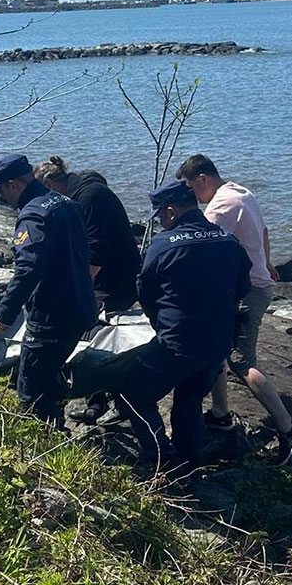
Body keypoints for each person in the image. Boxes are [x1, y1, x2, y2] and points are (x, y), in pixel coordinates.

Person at [115, 181, 251, 474]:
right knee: (189, 401)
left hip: (178, 341)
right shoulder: (228, 240)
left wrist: (160, 322)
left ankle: (164, 457)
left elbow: (146, 291)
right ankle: (189, 465)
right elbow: (243, 286)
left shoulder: (163, 245)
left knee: (132, 395)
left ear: (171, 211)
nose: (160, 222)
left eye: (160, 216)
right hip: (217, 343)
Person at [177, 154, 292, 461]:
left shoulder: (221, 207)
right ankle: (221, 414)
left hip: (249, 292)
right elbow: (263, 232)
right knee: (220, 349)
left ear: (203, 179)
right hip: (256, 284)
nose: (191, 196)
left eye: (191, 189)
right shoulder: (241, 192)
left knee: (240, 360)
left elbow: (201, 247)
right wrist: (266, 262)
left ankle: (289, 428)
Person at [0, 153, 96, 423]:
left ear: (13, 185)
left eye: (2, 191)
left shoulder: (33, 215)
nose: (4, 199)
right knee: (50, 373)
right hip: (81, 306)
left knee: (31, 390)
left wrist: (5, 314)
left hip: (51, 316)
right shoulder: (66, 203)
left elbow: (27, 269)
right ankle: (57, 423)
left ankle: (44, 448)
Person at [33, 156, 142, 425]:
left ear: (50, 183)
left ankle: (120, 403)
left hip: (116, 280)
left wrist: (78, 289)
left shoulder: (90, 196)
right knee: (90, 333)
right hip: (106, 278)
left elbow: (95, 251)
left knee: (95, 333)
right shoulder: (79, 193)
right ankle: (96, 402)